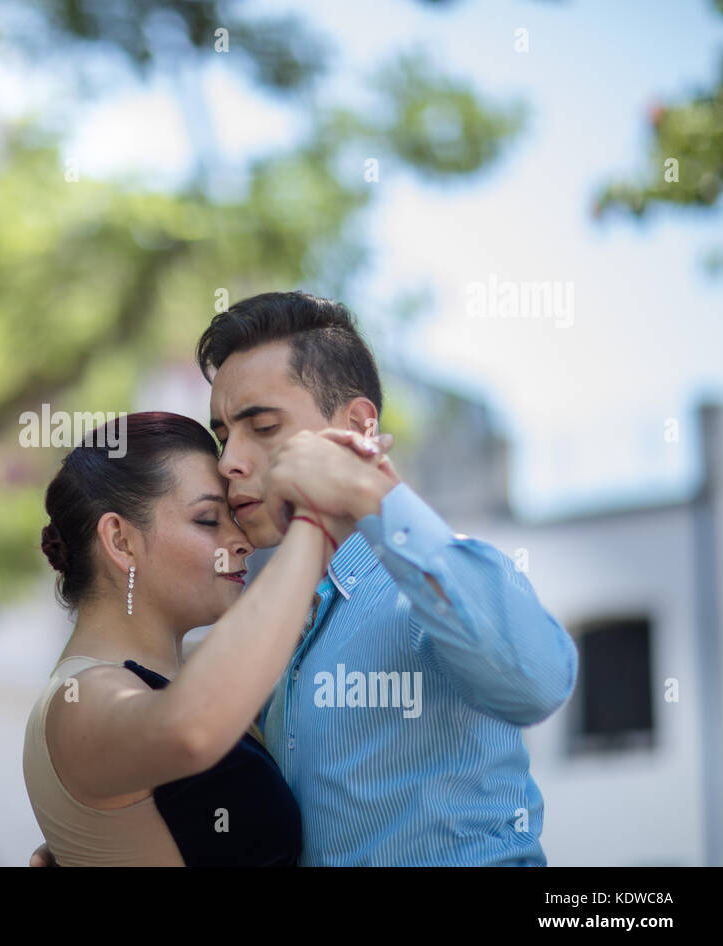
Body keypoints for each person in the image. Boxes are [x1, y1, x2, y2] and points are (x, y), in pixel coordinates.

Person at [31, 290, 577, 866]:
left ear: (359, 427)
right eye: (221, 436)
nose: (228, 461)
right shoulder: (260, 633)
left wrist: (370, 493)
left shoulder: (440, 585)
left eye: (262, 426)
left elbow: (538, 681)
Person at [22, 410, 392, 865]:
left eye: (233, 517)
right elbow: (190, 730)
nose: (242, 542)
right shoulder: (80, 701)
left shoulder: (184, 670)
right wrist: (313, 525)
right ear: (119, 540)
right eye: (207, 520)